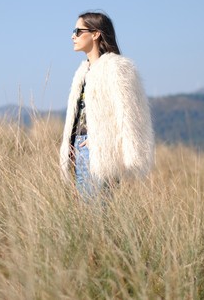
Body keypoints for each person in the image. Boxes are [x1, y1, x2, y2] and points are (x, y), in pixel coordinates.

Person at [59, 11, 155, 199]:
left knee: (97, 212)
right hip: (77, 152)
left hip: (98, 151)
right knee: (83, 213)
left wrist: (100, 139)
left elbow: (130, 114)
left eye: (78, 31)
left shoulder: (116, 68)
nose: (73, 36)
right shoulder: (82, 72)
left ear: (95, 34)